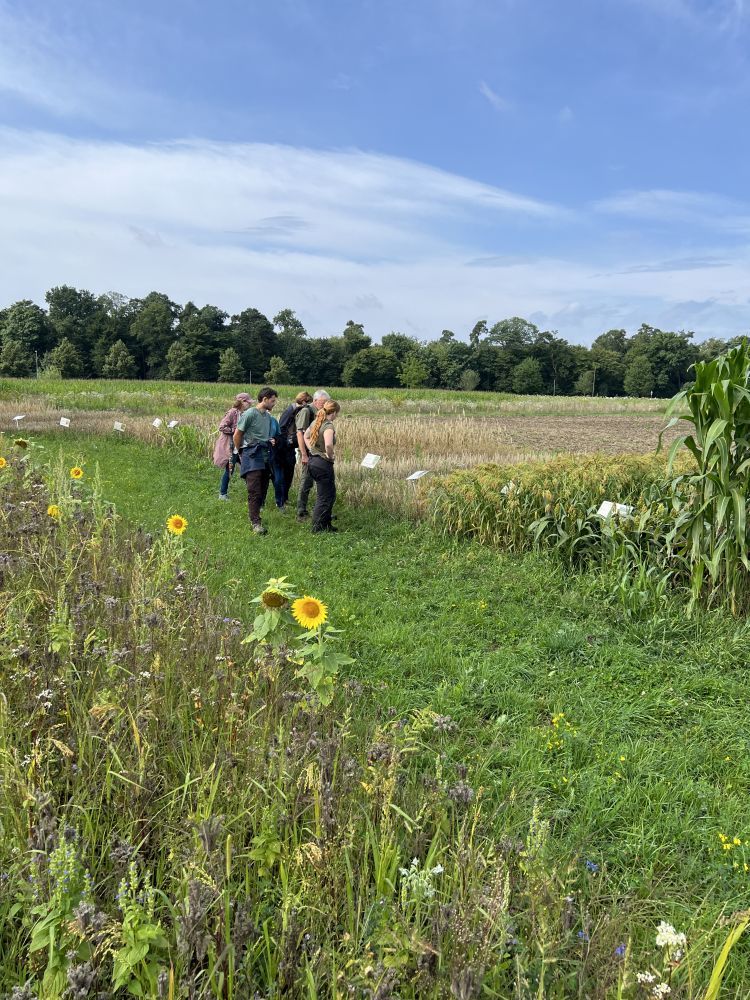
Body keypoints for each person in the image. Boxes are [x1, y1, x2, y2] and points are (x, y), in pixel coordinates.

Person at [233, 387, 278, 535]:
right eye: (272, 401)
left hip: (265, 456)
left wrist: (268, 440)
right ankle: (255, 523)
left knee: (263, 489)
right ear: (264, 399)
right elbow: (238, 434)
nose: (274, 404)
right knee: (254, 491)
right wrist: (240, 451)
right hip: (252, 455)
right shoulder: (251, 413)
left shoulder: (267, 416)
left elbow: (261, 435)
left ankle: (256, 514)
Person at [304, 399, 340, 533]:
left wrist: (312, 450)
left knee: (326, 494)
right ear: (334, 412)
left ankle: (326, 524)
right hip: (323, 464)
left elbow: (306, 436)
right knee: (326, 496)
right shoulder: (328, 426)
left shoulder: (316, 422)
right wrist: (329, 455)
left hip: (313, 461)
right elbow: (329, 444)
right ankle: (318, 527)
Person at [296, 389, 330, 522]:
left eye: (327, 402)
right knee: (306, 482)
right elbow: (301, 434)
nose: (325, 405)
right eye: (323, 402)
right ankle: (301, 512)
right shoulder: (306, 411)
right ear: (315, 401)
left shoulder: (320, 412)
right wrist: (304, 454)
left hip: (316, 452)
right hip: (308, 453)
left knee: (318, 482)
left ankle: (320, 510)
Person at [276, 391, 312, 506]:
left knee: (289, 472)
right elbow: (281, 427)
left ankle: (285, 498)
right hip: (284, 447)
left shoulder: (296, 410)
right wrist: (287, 441)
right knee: (284, 473)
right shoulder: (290, 411)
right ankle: (281, 499)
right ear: (303, 402)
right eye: (308, 403)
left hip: (290, 447)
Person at [213, 392, 252, 500]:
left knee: (247, 468)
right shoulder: (232, 412)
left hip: (240, 446)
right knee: (230, 469)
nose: (250, 404)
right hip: (231, 447)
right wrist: (235, 431)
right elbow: (222, 427)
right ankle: (222, 494)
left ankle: (252, 492)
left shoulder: (243, 413)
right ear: (242, 402)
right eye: (248, 402)